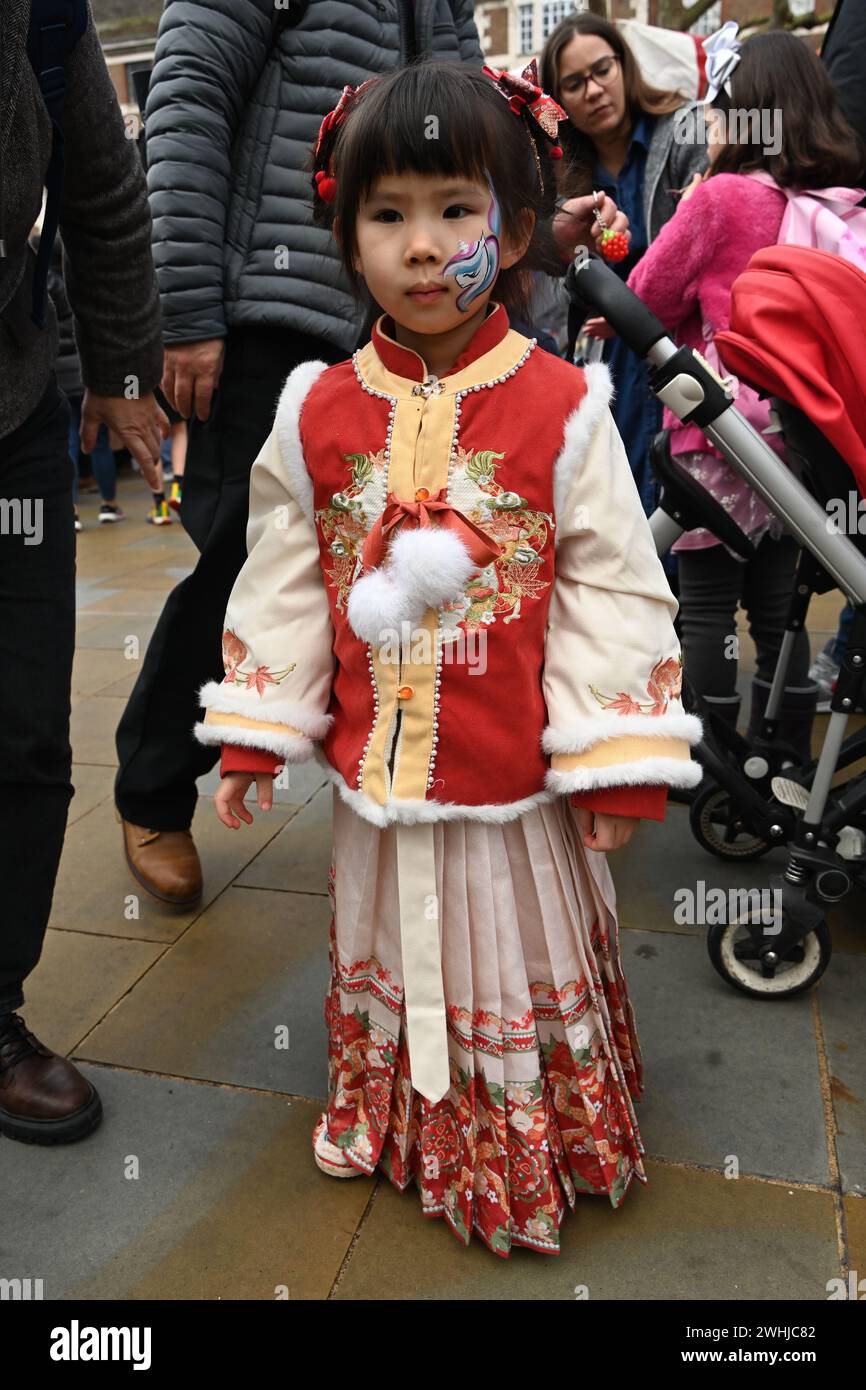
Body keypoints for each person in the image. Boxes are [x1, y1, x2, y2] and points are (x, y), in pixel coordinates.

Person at [196, 61, 703, 1258]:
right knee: (385, 946)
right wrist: (256, 725)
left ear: (516, 229)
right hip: (377, 786)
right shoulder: (314, 409)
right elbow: (278, 577)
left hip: (511, 786)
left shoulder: (562, 405)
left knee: (510, 952)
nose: (423, 248)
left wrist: (616, 759)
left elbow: (612, 590)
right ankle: (400, 1117)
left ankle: (524, 1136)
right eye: (388, 216)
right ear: (347, 234)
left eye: (454, 210)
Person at [114, 0, 487, 907]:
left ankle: (410, 785)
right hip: (272, 318)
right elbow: (187, 109)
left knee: (416, 558)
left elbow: (477, 129)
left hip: (406, 322)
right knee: (244, 570)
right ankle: (154, 790)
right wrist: (191, 311)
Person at [0, 0, 165, 1144]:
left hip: (9, 416)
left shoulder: (42, 15)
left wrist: (119, 366)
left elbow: (104, 198)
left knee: (23, 727)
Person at [627, 27, 864, 761]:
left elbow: (647, 298)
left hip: (718, 435)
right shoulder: (838, 206)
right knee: (775, 610)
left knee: (705, 610)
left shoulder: (722, 199)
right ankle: (785, 755)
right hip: (799, 442)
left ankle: (715, 757)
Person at [540, 12, 708, 522]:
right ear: (559, 100)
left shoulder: (685, 132)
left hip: (679, 344)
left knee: (682, 497)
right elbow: (551, 293)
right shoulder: (558, 176)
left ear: (624, 66)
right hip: (603, 359)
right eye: (574, 83)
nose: (593, 90)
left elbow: (703, 245)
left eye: (602, 70)